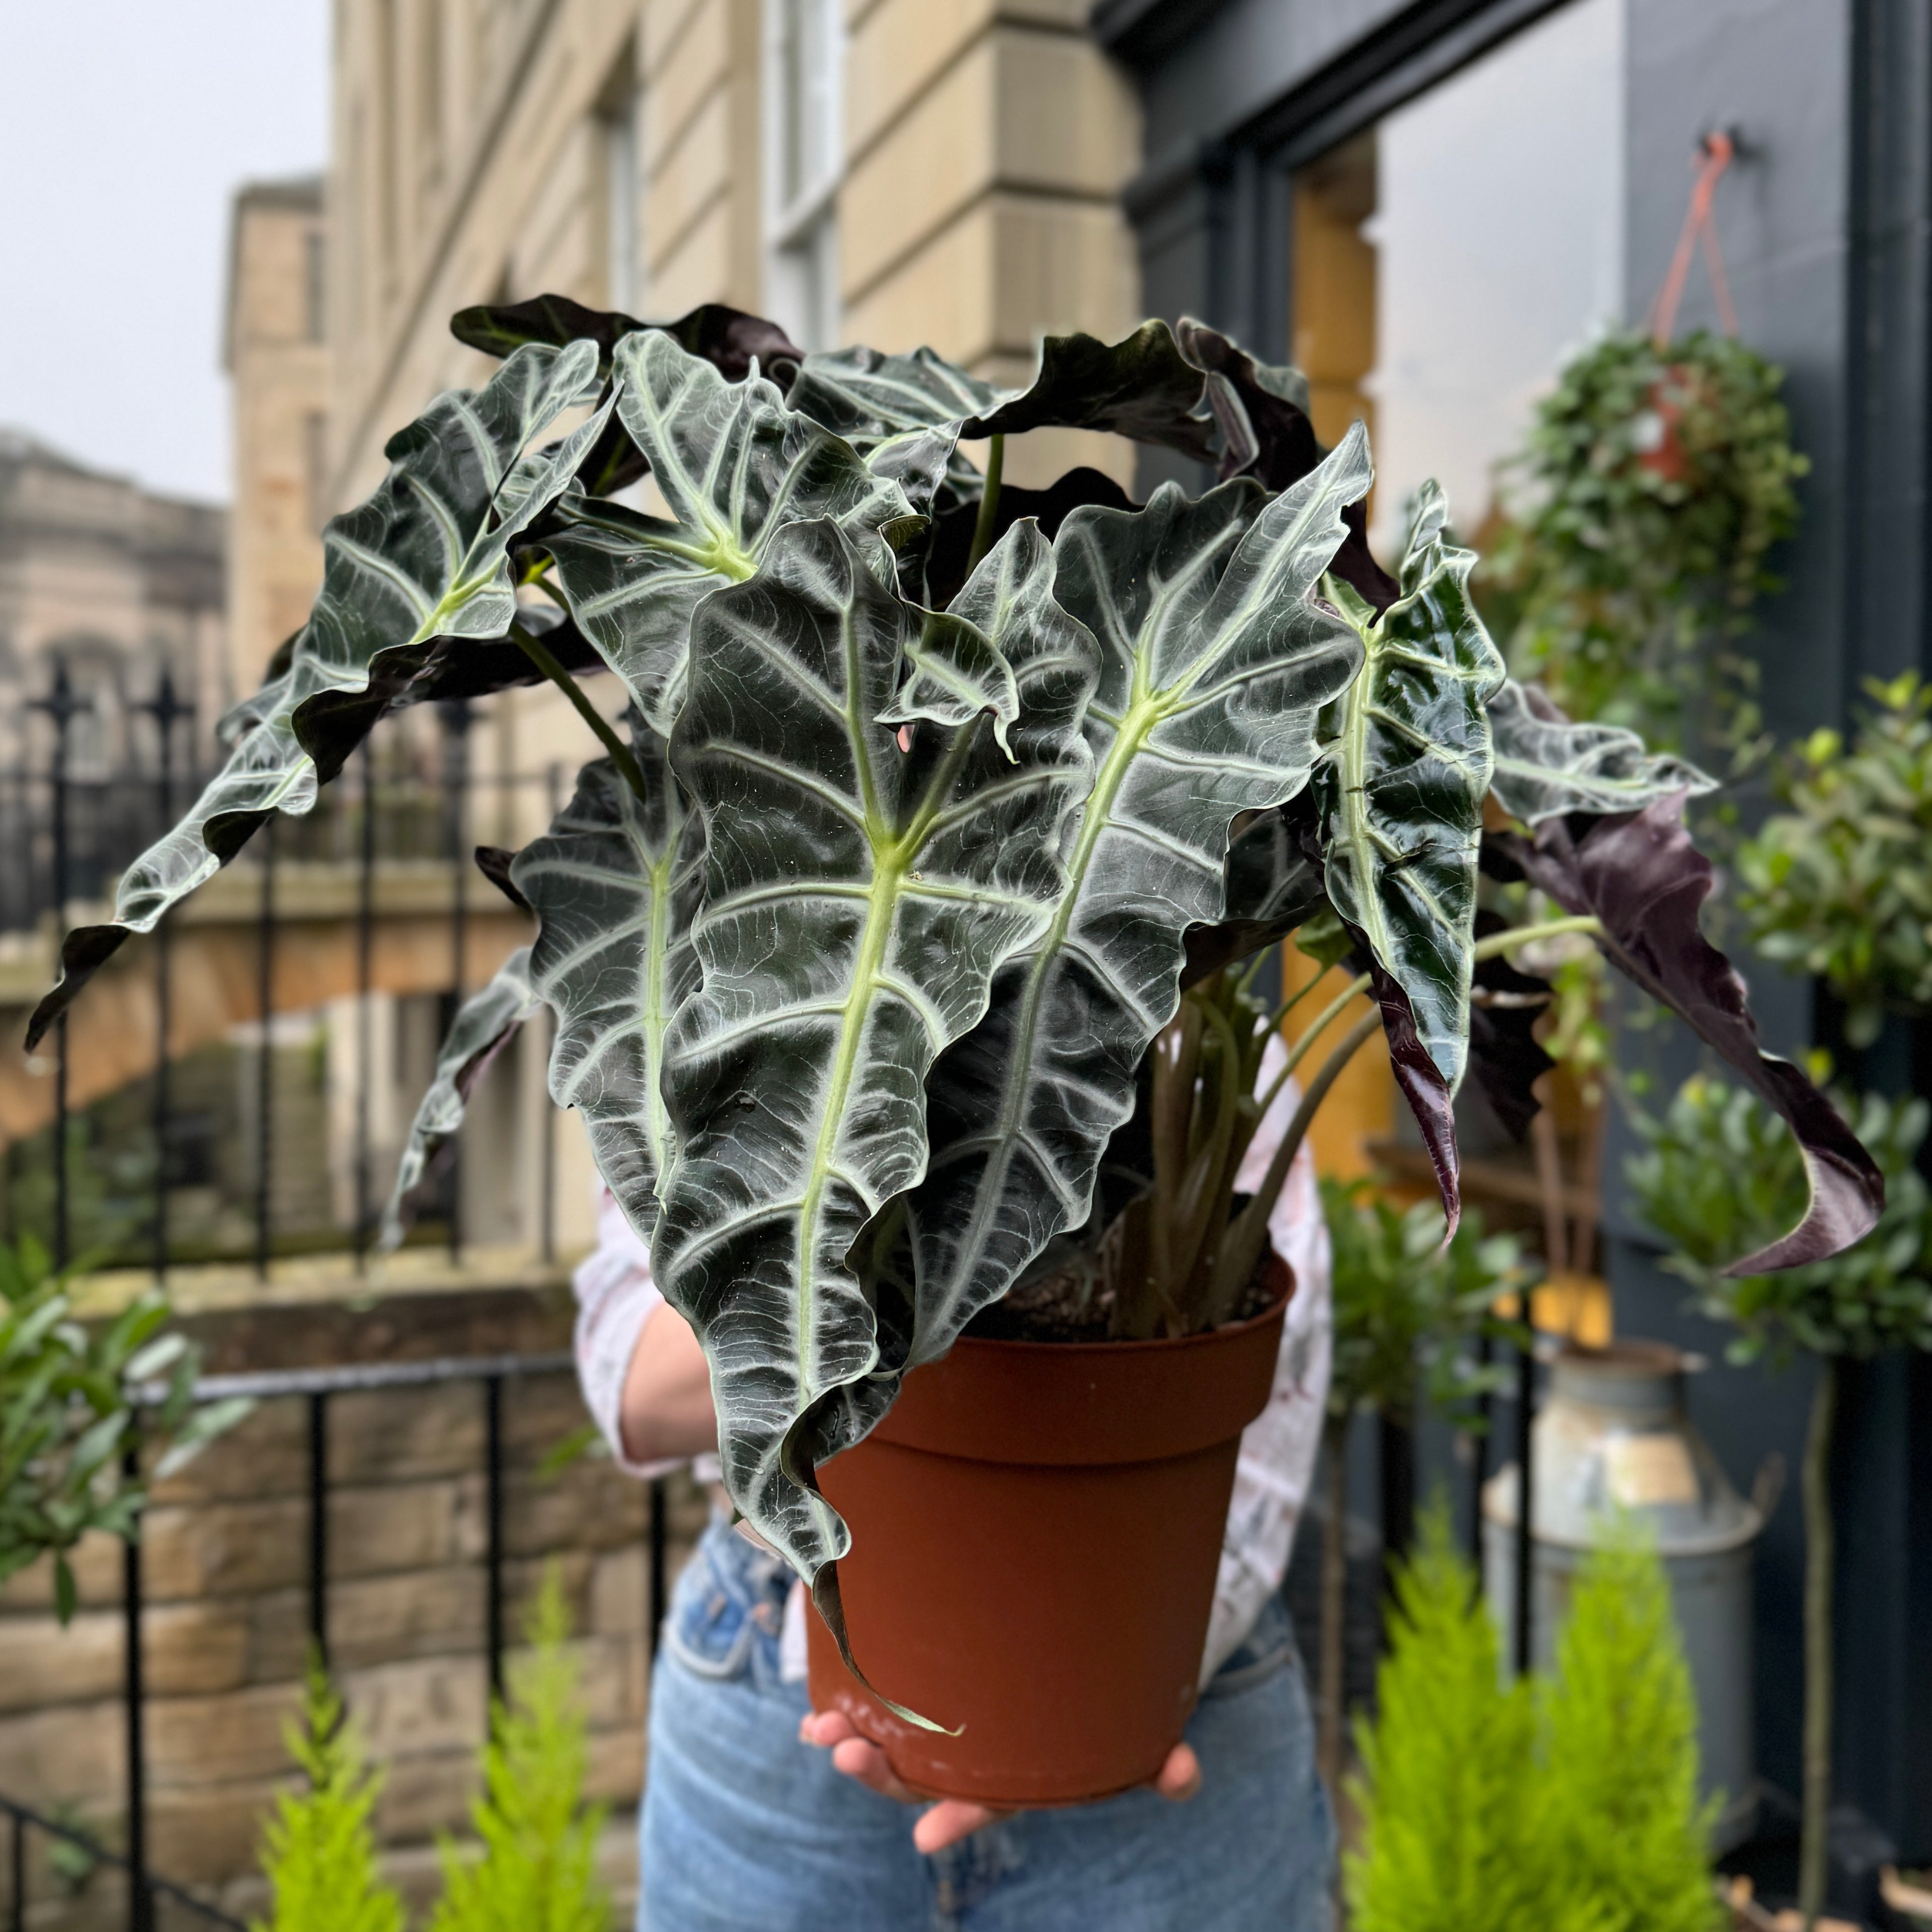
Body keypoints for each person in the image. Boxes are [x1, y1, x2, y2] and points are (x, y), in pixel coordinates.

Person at [573, 1041, 1336, 1931]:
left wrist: (1097, 1690)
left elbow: (1271, 1349)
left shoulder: (1165, 949)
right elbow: (629, 1381)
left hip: (1155, 1694)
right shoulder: (737, 970)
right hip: (774, 1697)